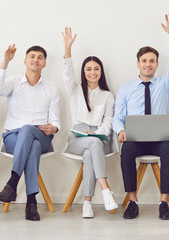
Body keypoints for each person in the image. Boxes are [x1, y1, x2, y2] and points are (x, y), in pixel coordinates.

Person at [113, 12, 169, 220]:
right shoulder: (126, 89)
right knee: (126, 153)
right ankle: (133, 201)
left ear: (157, 65)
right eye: (144, 61)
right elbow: (117, 117)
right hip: (135, 138)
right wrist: (121, 130)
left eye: (152, 61)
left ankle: (164, 202)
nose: (148, 64)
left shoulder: (165, 84)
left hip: (159, 139)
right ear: (138, 63)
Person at [0, 44, 60, 221]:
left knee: (30, 131)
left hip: (42, 135)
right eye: (32, 56)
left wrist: (54, 127)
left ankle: (12, 184)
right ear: (25, 61)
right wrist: (5, 61)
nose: (35, 59)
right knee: (33, 146)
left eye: (40, 57)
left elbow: (55, 120)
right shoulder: (14, 82)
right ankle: (31, 202)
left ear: (44, 63)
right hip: (13, 137)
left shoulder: (51, 88)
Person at [61, 27, 118, 218]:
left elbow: (108, 122)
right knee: (90, 145)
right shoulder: (75, 90)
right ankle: (105, 190)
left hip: (99, 139)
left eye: (96, 69)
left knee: (90, 152)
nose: (92, 72)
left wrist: (96, 134)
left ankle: (87, 204)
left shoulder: (107, 95)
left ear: (101, 72)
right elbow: (67, 73)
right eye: (88, 69)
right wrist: (67, 48)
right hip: (77, 138)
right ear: (83, 72)